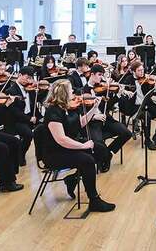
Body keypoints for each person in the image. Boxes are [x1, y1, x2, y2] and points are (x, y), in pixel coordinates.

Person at [42, 79, 115, 212]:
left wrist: (93, 109)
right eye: (70, 90)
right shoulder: (53, 112)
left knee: (101, 150)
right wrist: (83, 146)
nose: (74, 93)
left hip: (68, 147)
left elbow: (80, 123)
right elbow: (61, 139)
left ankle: (73, 179)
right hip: (55, 153)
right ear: (64, 94)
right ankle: (94, 200)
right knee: (87, 160)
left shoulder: (68, 108)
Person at [82, 65, 132, 172]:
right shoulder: (83, 91)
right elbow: (82, 112)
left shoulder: (103, 88)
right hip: (93, 122)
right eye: (99, 75)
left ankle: (109, 154)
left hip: (106, 118)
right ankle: (102, 159)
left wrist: (118, 95)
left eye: (102, 75)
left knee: (127, 133)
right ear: (92, 75)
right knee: (98, 144)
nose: (101, 78)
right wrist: (95, 116)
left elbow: (108, 106)